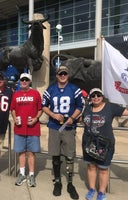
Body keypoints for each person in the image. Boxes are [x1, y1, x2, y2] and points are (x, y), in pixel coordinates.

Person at [42, 66, 83, 199]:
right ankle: (58, 182)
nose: (63, 75)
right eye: (60, 74)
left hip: (68, 126)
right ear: (57, 75)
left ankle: (70, 183)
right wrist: (53, 114)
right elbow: (44, 106)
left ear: (68, 75)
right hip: (54, 126)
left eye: (65, 73)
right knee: (55, 155)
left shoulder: (74, 89)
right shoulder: (51, 89)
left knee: (69, 156)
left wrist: (72, 118)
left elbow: (80, 106)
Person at [81, 88, 128, 200]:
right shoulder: (87, 108)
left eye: (98, 95)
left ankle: (101, 192)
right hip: (89, 143)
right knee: (91, 166)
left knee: (103, 168)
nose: (96, 97)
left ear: (102, 96)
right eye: (93, 95)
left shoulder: (110, 107)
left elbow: (125, 112)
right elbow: (81, 119)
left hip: (105, 144)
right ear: (90, 98)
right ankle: (92, 189)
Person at [10, 73, 43, 187]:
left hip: (33, 128)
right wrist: (14, 118)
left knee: (31, 153)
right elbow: (13, 109)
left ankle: (32, 175)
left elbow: (40, 109)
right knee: (21, 152)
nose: (24, 81)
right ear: (19, 81)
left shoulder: (35, 93)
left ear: (30, 81)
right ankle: (22, 174)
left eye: (26, 80)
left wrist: (36, 119)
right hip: (19, 128)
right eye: (22, 80)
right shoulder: (16, 94)